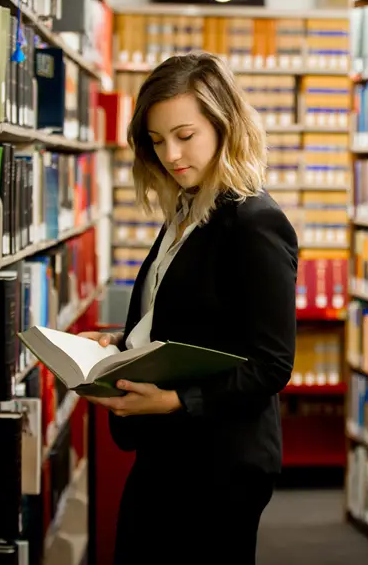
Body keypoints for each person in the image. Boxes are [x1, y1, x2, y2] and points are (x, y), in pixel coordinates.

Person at [77, 52, 298, 564]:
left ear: (224, 126)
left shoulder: (255, 222)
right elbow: (186, 316)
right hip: (168, 449)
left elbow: (271, 365)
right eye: (156, 141)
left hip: (218, 459)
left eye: (184, 135)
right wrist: (116, 342)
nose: (171, 154)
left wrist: (176, 401)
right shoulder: (188, 206)